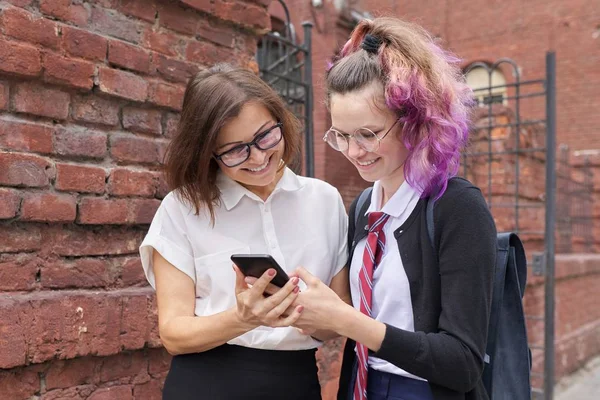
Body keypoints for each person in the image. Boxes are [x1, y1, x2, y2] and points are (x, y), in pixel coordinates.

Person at [285, 17, 497, 400]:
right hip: (360, 386)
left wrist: (351, 321)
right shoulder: (364, 205)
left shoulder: (457, 208)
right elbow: (347, 319)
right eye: (342, 135)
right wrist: (309, 312)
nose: (353, 152)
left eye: (367, 134)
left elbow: (463, 362)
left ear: (416, 122)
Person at [139, 64, 349, 400]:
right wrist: (243, 317)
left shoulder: (324, 200)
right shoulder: (182, 208)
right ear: (208, 153)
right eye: (236, 150)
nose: (260, 157)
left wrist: (309, 315)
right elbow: (174, 334)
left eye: (266, 135)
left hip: (297, 382)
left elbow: (337, 320)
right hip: (207, 383)